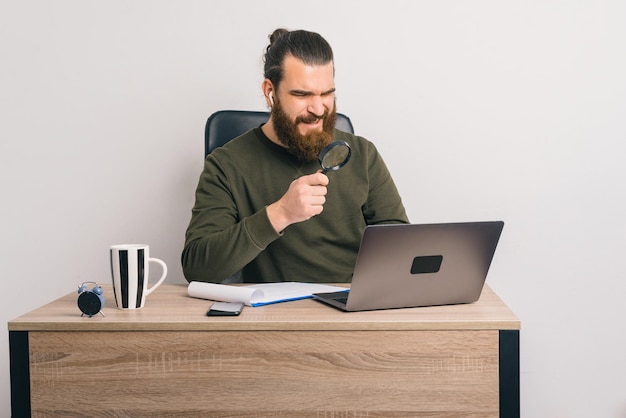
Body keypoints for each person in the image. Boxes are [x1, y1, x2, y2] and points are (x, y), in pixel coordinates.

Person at [182, 28, 408, 284]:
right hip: (275, 316)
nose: (318, 109)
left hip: (353, 310)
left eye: (327, 94)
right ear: (270, 92)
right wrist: (280, 213)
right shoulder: (225, 165)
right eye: (302, 95)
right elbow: (197, 268)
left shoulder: (363, 154)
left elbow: (400, 248)